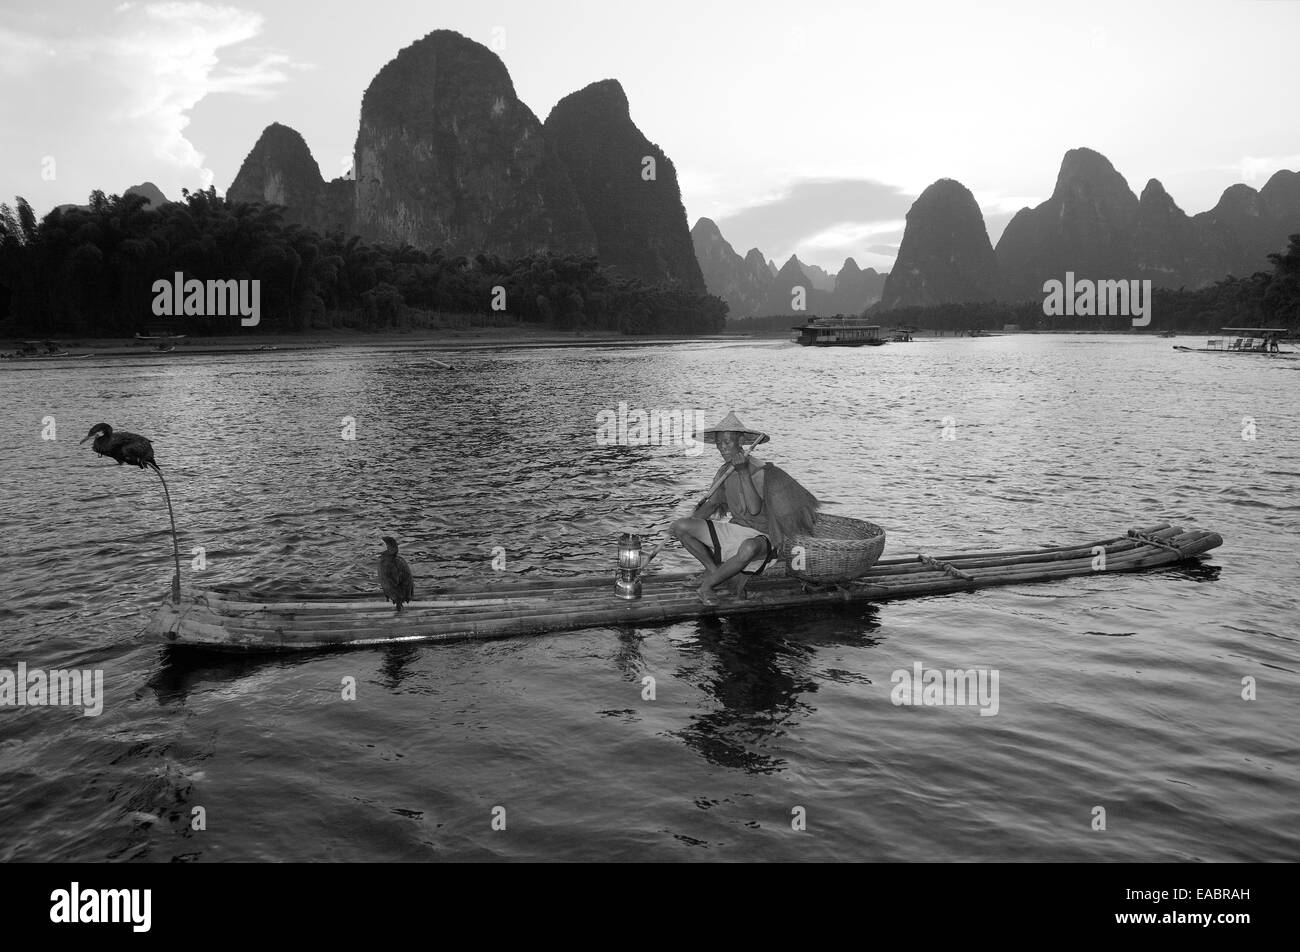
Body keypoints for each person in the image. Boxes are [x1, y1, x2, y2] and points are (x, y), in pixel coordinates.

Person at [671, 411, 819, 605]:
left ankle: (707, 586)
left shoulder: (760, 471)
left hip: (762, 538)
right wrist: (688, 524)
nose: (722, 448)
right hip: (735, 530)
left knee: (748, 547)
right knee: (680, 526)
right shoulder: (724, 471)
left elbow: (754, 508)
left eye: (727, 443)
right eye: (718, 444)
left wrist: (742, 472)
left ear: (740, 440)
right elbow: (712, 504)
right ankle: (716, 574)